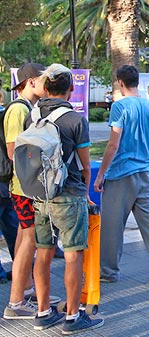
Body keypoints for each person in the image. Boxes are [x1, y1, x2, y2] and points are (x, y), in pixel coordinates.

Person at [24, 64, 104, 333]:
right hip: (68, 195)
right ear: (71, 89)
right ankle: (72, 316)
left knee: (43, 253)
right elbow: (84, 164)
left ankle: (43, 312)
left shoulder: (32, 117)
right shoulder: (75, 120)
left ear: (45, 88)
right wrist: (88, 191)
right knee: (73, 255)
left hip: (39, 195)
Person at [93, 65, 149, 283]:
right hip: (144, 171)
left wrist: (101, 174)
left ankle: (108, 271)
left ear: (120, 82)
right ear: (137, 81)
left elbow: (113, 144)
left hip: (121, 173)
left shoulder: (119, 107)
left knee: (112, 225)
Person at [3, 63, 57, 320]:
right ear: (31, 81)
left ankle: (25, 290)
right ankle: (15, 303)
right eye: (44, 80)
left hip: (24, 186)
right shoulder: (18, 109)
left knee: (24, 239)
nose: (47, 85)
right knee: (28, 240)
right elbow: (15, 153)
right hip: (23, 187)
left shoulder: (26, 107)